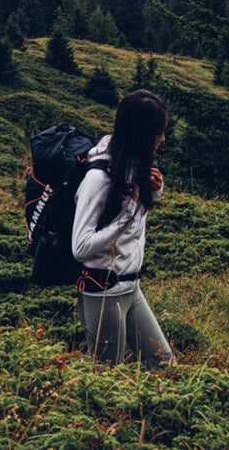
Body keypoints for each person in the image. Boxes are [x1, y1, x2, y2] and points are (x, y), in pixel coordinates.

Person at [71, 89, 174, 369]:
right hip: (103, 293)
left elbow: (132, 220)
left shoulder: (131, 165)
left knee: (163, 365)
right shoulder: (97, 179)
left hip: (131, 288)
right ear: (141, 133)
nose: (162, 139)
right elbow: (81, 247)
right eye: (158, 132)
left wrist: (155, 191)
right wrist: (127, 216)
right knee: (108, 377)